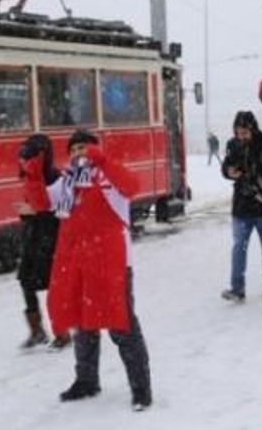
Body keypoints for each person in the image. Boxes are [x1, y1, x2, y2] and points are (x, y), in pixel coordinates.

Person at [35, 129, 152, 412]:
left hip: (113, 263)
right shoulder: (69, 182)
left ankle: (141, 389)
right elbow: (42, 201)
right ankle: (87, 380)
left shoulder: (108, 173)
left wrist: (103, 161)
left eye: (83, 148)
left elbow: (132, 185)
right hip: (81, 264)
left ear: (95, 149)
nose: (78, 154)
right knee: (84, 324)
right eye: (74, 149)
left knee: (122, 325)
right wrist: (34, 168)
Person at [221, 111, 262, 302]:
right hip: (241, 206)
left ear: (253, 129)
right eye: (238, 132)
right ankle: (237, 288)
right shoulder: (233, 144)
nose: (241, 136)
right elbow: (226, 166)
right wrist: (229, 172)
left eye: (244, 132)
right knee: (239, 246)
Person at [15, 134, 71, 350]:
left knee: (52, 287)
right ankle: (37, 331)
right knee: (26, 282)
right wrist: (27, 213)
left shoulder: (57, 178)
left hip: (51, 237)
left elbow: (64, 211)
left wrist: (36, 211)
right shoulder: (33, 177)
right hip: (35, 237)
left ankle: (62, 332)